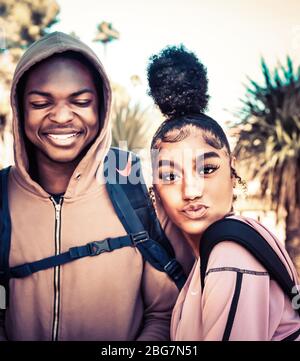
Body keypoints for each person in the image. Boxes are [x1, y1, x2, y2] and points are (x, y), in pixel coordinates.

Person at [0, 31, 185, 341]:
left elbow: (164, 313)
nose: (60, 116)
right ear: (20, 108)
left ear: (102, 108)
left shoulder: (132, 187)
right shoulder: (2, 194)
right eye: (40, 102)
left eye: (81, 101)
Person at [147, 45, 300, 341]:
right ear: (155, 189)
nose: (190, 191)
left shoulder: (230, 253)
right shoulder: (219, 249)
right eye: (168, 175)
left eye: (207, 169)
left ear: (232, 170)